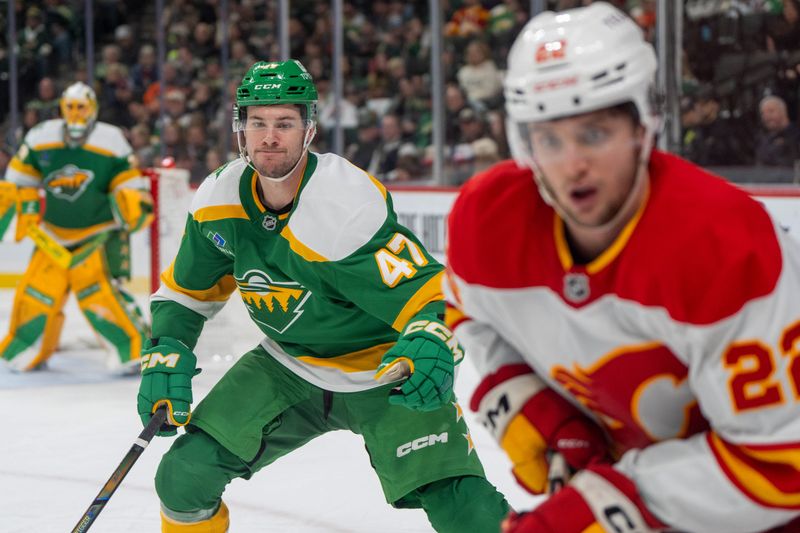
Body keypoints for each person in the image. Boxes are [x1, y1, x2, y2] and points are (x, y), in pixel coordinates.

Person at [444, 3, 800, 532]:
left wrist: (598, 509)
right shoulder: (487, 222)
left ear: (643, 125)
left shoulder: (725, 246)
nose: (571, 164)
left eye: (595, 133)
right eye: (549, 139)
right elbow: (467, 315)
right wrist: (542, 415)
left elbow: (781, 465)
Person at [137, 59, 508, 532]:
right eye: (259, 123)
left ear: (308, 129)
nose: (270, 137)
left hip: (383, 368)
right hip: (287, 365)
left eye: (285, 124)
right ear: (240, 129)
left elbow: (428, 290)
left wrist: (432, 334)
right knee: (183, 477)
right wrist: (168, 347)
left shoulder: (343, 204)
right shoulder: (218, 200)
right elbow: (186, 292)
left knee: (465, 509)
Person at [0, 82, 152, 372]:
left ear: (93, 108)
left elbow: (128, 182)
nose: (75, 113)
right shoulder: (41, 137)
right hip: (51, 236)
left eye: (81, 106)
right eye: (70, 106)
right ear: (61, 108)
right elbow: (19, 179)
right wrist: (23, 207)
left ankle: (130, 350)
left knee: (100, 295)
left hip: (95, 236)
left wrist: (132, 201)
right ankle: (25, 347)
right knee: (35, 293)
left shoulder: (111, 141)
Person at [755, 95, 800, 167]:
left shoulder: (796, 135)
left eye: (771, 111)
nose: (766, 117)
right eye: (763, 113)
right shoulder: (763, 139)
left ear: (783, 111)